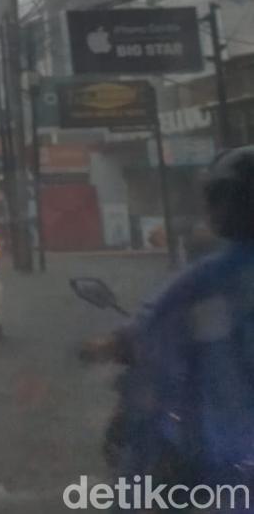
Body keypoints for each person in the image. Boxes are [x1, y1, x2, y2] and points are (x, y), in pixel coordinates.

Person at [93, 145, 254, 493]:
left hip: (221, 455)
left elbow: (150, 332)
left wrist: (106, 346)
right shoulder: (209, 278)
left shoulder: (209, 279)